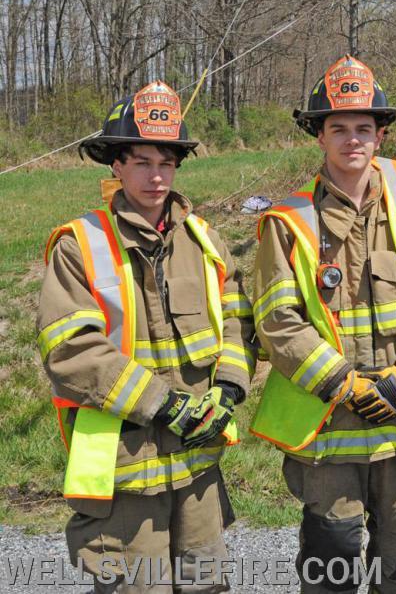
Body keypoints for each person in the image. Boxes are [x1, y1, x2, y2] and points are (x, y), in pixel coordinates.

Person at [250, 55, 396, 593]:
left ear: (381, 135)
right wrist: (342, 383)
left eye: (363, 129)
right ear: (318, 136)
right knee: (334, 557)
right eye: (339, 128)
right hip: (331, 427)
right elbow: (278, 322)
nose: (353, 140)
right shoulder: (289, 222)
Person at [37, 80, 255, 593]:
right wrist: (163, 404)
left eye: (167, 163)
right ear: (116, 165)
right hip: (122, 473)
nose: (156, 177)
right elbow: (70, 350)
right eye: (142, 163)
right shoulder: (80, 246)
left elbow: (237, 318)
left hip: (197, 467)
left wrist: (226, 390)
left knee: (206, 586)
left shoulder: (201, 239)